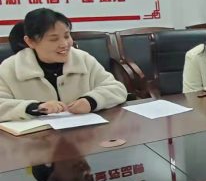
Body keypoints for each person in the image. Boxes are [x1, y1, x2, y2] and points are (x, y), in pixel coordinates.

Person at [0, 8, 128, 122]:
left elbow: (117, 89)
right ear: (30, 42)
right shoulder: (10, 68)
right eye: (54, 39)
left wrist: (92, 101)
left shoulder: (82, 59)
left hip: (84, 134)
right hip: (34, 139)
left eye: (67, 36)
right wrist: (33, 108)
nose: (64, 44)